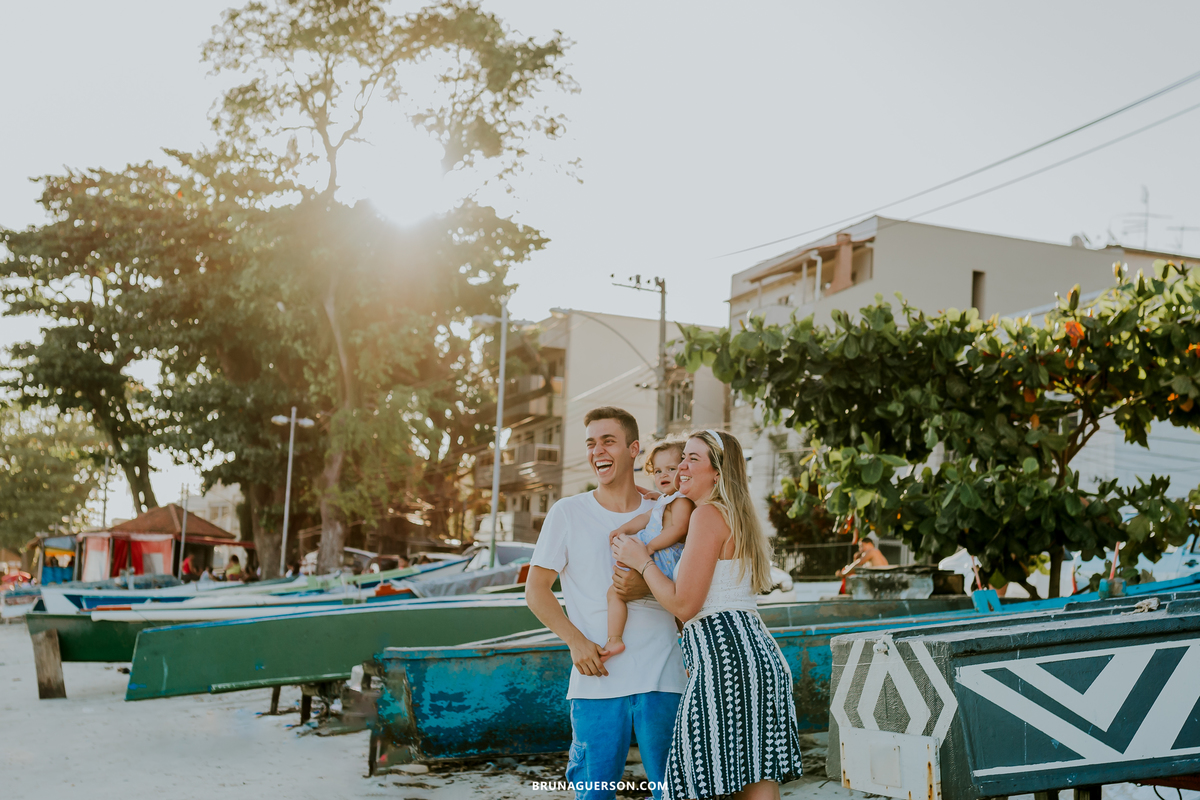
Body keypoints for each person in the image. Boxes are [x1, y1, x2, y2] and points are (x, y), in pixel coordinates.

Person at [613, 430, 804, 800]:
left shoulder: (707, 516)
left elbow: (685, 605)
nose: (681, 466)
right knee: (755, 779)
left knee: (699, 783)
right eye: (682, 457)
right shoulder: (731, 515)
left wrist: (641, 561)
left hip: (725, 661)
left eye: (692, 459)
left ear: (718, 472)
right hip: (753, 655)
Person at [527, 407, 686, 800]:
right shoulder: (568, 512)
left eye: (608, 441)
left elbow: (690, 589)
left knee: (674, 792)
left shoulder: (667, 513)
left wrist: (645, 587)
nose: (598, 450)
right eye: (591, 443)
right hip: (597, 677)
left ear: (634, 450)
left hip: (665, 674)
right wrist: (575, 642)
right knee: (594, 794)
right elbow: (536, 590)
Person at [603, 438, 694, 661]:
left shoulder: (681, 501)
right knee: (615, 591)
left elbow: (680, 529)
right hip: (654, 559)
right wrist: (623, 528)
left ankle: (691, 653)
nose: (663, 475)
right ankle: (615, 639)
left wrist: (650, 547)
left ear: (684, 470)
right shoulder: (665, 500)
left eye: (671, 469)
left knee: (680, 616)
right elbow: (645, 518)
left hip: (664, 560)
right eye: (658, 470)